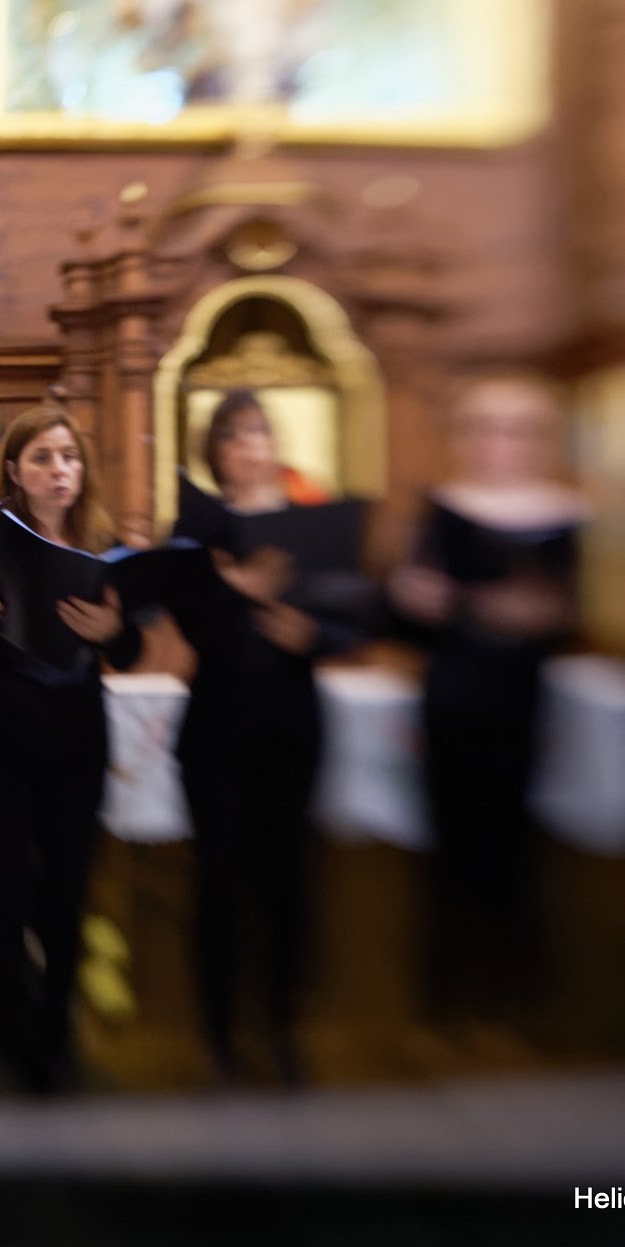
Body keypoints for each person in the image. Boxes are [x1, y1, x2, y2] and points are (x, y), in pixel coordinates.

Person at [0, 405, 139, 1093]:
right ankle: (11, 1047)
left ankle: (57, 1042)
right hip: (2, 739)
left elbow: (127, 651)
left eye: (69, 457)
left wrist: (110, 627)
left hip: (76, 739)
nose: (59, 470)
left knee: (67, 895)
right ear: (14, 470)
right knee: (9, 898)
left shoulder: (102, 549)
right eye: (43, 457)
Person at [165, 390, 365, 1085]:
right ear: (215, 454)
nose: (252, 447)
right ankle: (219, 1038)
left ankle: (282, 1029)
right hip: (217, 725)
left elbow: (351, 619)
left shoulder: (311, 528)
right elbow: (194, 633)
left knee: (288, 882)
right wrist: (240, 590)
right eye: (235, 436)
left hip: (290, 723)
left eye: (261, 434)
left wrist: (314, 635)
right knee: (218, 883)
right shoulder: (194, 536)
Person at [388, 371, 585, 1024]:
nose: (499, 444)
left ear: (542, 440)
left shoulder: (573, 515)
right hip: (456, 697)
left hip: (541, 704)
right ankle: (447, 996)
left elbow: (596, 614)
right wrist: (411, 598)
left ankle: (520, 995)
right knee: (451, 846)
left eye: (516, 430)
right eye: (484, 428)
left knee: (525, 850)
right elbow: (409, 619)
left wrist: (553, 615)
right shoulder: (442, 509)